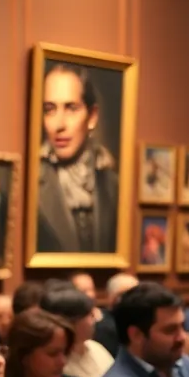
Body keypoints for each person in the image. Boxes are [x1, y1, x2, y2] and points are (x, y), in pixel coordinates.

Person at [34, 63, 120, 254]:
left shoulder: (113, 184)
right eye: (49, 109)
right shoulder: (30, 182)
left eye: (71, 108)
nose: (59, 124)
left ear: (92, 117)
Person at [96, 282, 189, 377]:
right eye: (170, 330)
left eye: (182, 326)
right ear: (136, 335)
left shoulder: (188, 365)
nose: (182, 337)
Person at [40, 284, 114, 377]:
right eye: (89, 315)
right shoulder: (57, 364)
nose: (95, 319)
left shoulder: (96, 347)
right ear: (71, 321)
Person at [93, 272, 139, 357]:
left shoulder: (142, 320)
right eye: (123, 295)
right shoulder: (102, 325)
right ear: (111, 297)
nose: (131, 300)